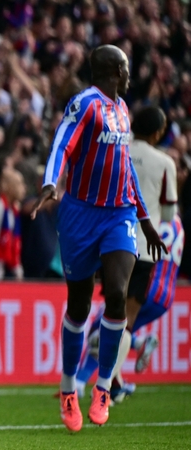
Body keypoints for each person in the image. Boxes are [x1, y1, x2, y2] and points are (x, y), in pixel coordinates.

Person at [31, 45, 167, 432]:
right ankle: (69, 387)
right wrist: (49, 184)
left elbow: (125, 170)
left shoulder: (122, 109)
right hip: (79, 215)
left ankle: (104, 386)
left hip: (119, 214)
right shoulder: (86, 104)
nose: (129, 74)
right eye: (126, 67)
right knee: (78, 305)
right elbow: (62, 143)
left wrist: (143, 218)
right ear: (112, 70)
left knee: (117, 293)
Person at [75, 106, 182, 401]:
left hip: (109, 240)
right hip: (144, 248)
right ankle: (106, 388)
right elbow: (170, 212)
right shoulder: (164, 162)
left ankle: (114, 382)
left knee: (110, 311)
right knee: (126, 321)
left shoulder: (115, 149)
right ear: (158, 132)